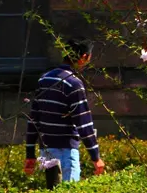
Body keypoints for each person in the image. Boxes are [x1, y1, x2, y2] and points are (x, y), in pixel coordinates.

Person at [23, 38, 105, 182]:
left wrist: (30, 154)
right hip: (66, 151)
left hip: (46, 152)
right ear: (84, 57)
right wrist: (95, 156)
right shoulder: (74, 84)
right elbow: (83, 124)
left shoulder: (44, 80)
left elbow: (33, 118)